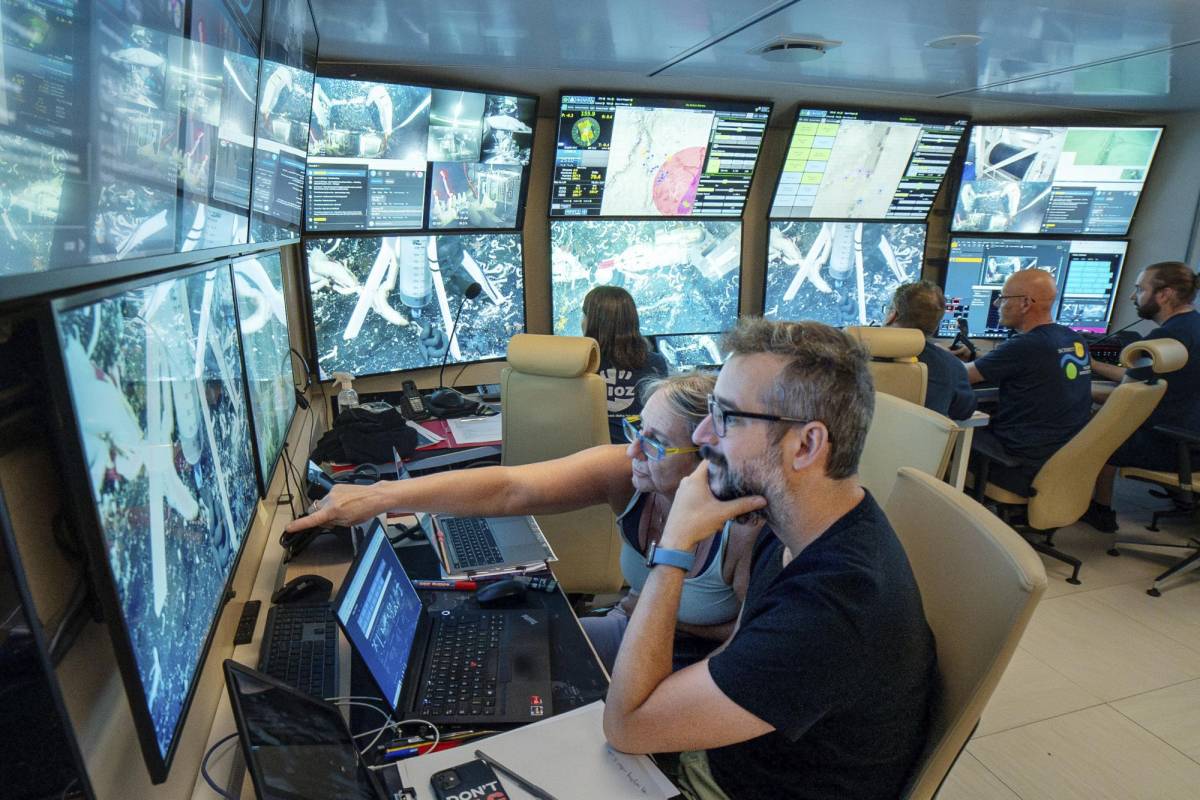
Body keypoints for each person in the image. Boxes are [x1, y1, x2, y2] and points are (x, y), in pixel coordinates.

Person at [603, 318, 936, 800]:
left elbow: (627, 726)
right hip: (727, 752)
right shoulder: (804, 524)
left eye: (727, 418)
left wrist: (674, 546)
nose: (701, 435)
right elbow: (737, 651)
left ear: (806, 445)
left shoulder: (834, 609)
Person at [286, 371, 758, 672]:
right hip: (630, 629)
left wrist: (660, 618)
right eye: (636, 429)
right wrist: (378, 496)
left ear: (706, 455)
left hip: (697, 666)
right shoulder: (630, 474)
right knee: (486, 656)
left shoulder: (744, 531)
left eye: (654, 443)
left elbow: (750, 650)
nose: (633, 449)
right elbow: (512, 487)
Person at [1083, 261, 1200, 532]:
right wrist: (1095, 365)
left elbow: (1129, 397)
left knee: (1099, 430)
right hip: (1191, 435)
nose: (1133, 296)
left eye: (1139, 289)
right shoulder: (1192, 326)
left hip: (1175, 443)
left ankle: (1099, 511)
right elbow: (1137, 382)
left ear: (1165, 294)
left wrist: (1074, 390)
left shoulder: (1168, 337)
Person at [957, 269, 1092, 494]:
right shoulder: (1072, 338)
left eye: (1003, 298)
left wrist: (936, 356)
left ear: (1025, 303)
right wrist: (978, 356)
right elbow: (1027, 365)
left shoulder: (1026, 346)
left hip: (1017, 465)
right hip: (1059, 459)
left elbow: (961, 376)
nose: (997, 304)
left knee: (943, 430)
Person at [581, 286, 669, 444]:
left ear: (592, 322)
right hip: (639, 453)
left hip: (588, 456)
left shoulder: (577, 364)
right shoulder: (656, 363)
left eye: (584, 315)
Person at [884, 281, 977, 420]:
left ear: (893, 314)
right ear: (934, 326)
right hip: (917, 441)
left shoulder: (851, 354)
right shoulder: (951, 366)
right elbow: (964, 411)